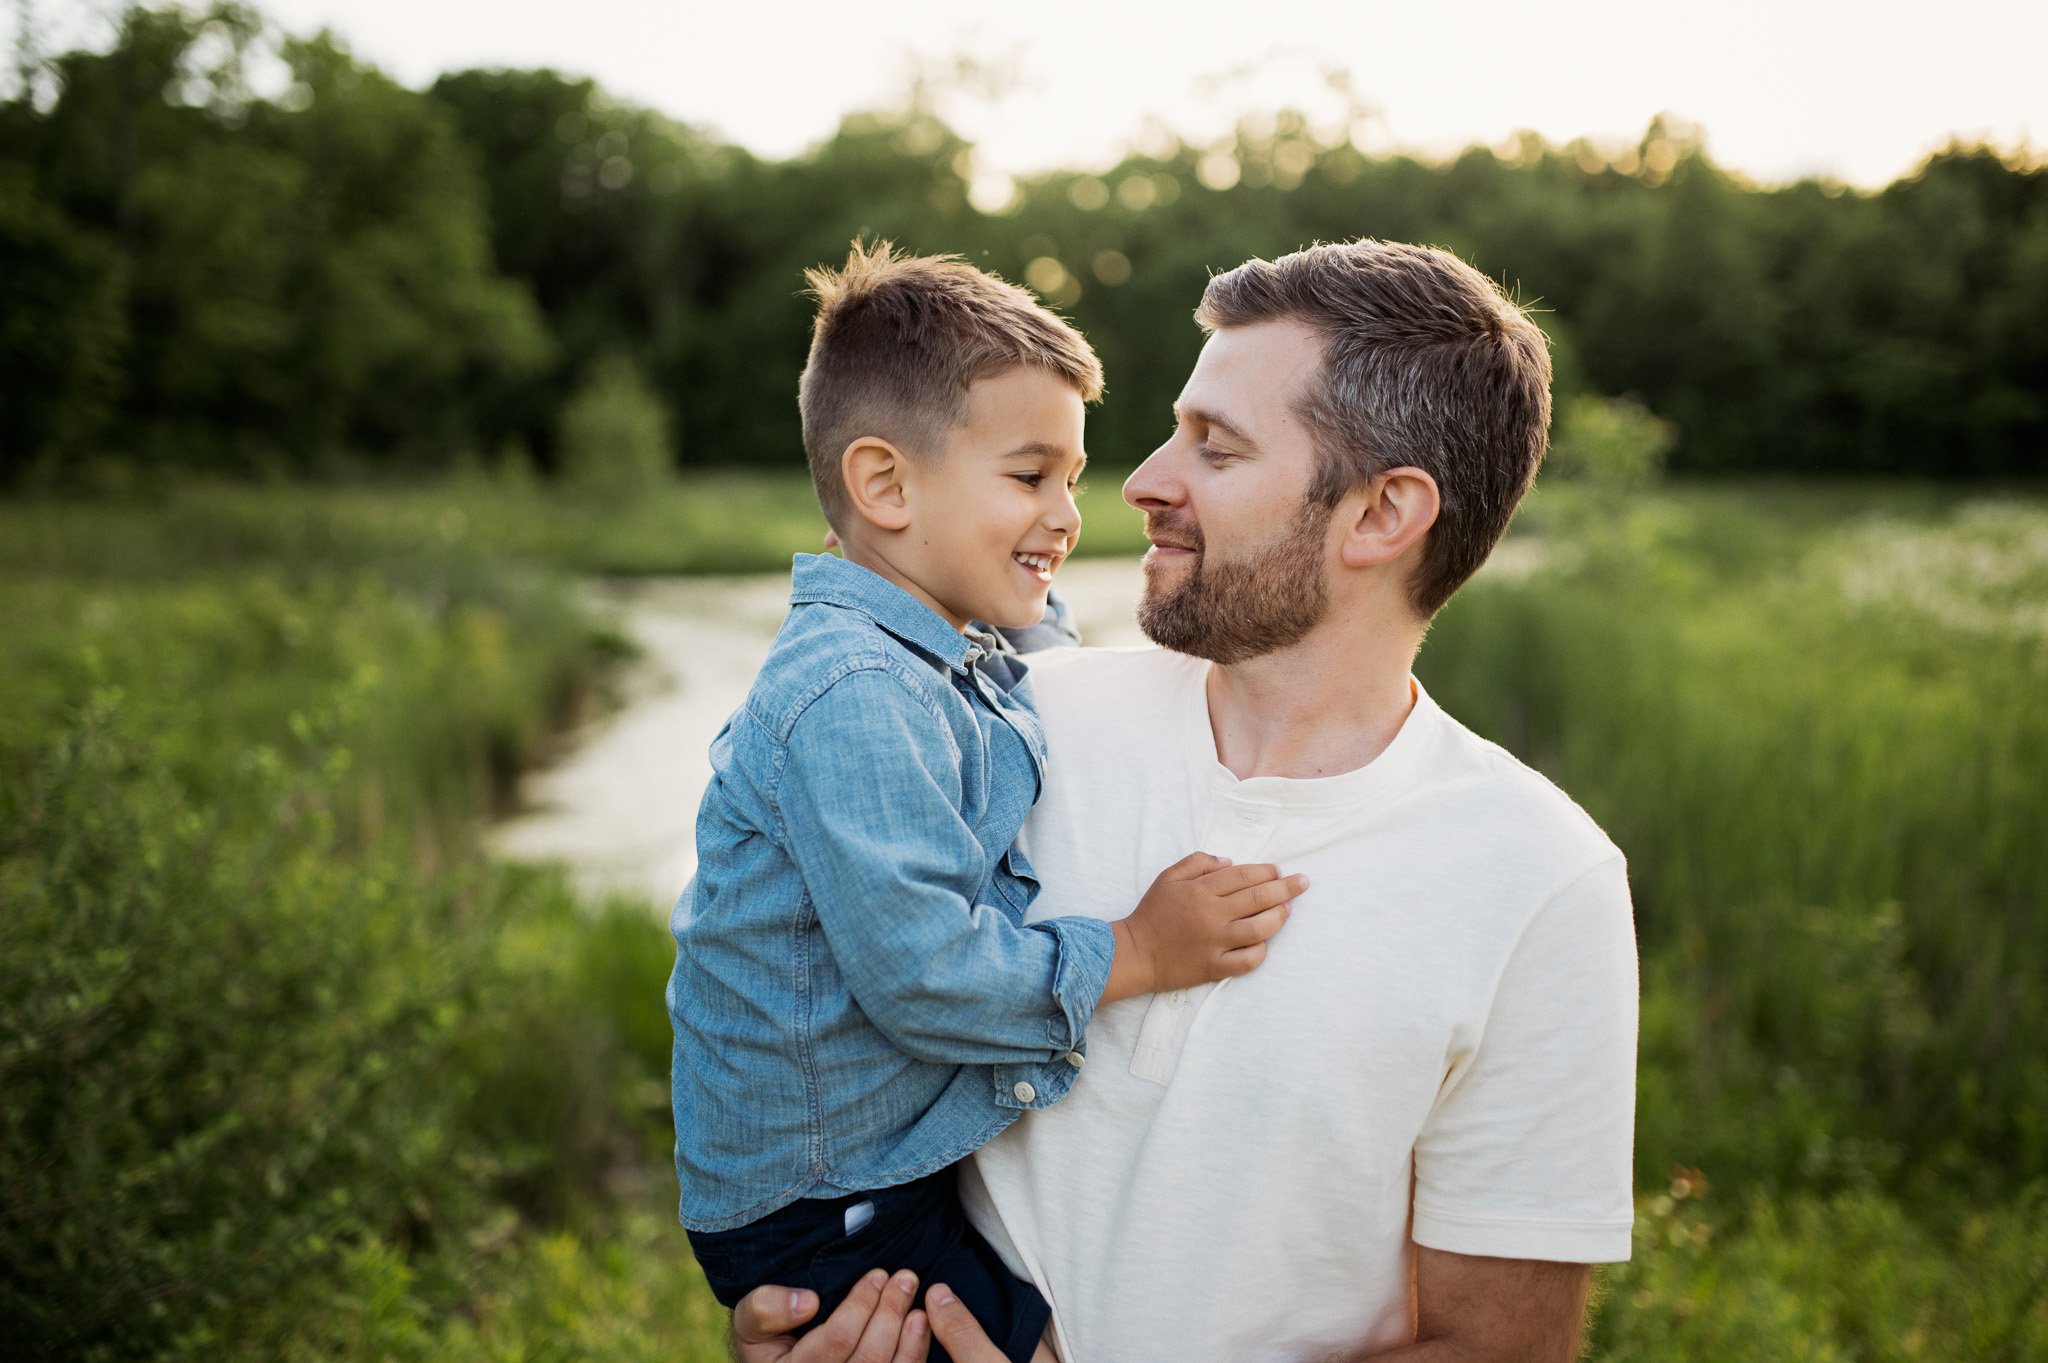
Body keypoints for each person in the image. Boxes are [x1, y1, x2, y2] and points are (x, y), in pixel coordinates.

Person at [730, 239, 1640, 1363]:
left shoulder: (1539, 878)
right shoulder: (998, 726)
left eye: (1215, 446)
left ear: (1377, 516)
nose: (1143, 480)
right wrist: (814, 1310)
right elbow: (785, 1014)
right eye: (1173, 429)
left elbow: (1501, 1352)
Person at [667, 241, 1304, 1363]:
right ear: (883, 485)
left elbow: (1033, 654)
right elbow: (922, 973)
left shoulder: (935, 636)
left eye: (1072, 474)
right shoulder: (854, 692)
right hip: (830, 1201)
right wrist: (1138, 950)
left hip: (865, 1172)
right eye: (1029, 477)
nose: (1069, 512)